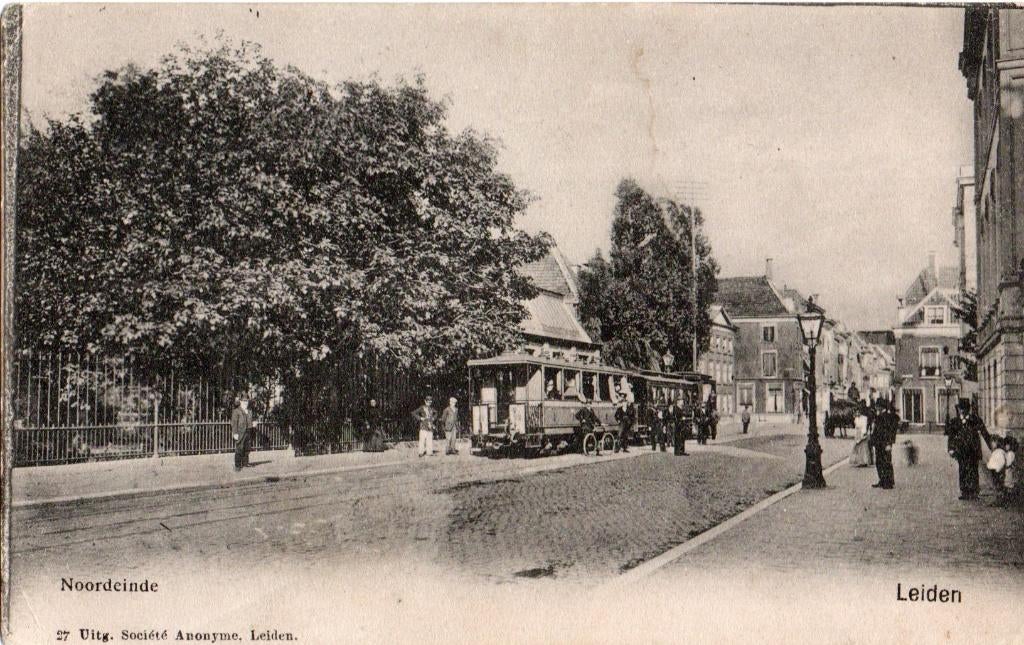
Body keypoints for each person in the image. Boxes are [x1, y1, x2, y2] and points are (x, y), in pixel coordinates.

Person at [944, 399, 992, 500]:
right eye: (961, 408)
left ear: (968, 409)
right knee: (963, 470)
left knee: (974, 470)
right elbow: (951, 437)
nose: (962, 411)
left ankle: (974, 492)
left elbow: (985, 433)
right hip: (961, 451)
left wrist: (992, 446)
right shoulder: (955, 422)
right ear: (959, 409)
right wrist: (951, 449)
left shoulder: (975, 420)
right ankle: (964, 491)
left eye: (964, 408)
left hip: (973, 450)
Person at [870, 401, 898, 489]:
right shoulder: (878, 417)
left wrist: (889, 443)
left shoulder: (888, 417)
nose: (876, 408)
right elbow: (875, 430)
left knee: (886, 462)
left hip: (885, 443)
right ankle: (882, 480)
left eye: (877, 407)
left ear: (881, 407)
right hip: (878, 443)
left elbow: (891, 432)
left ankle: (888, 482)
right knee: (879, 462)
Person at [231, 394, 253, 472]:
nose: (245, 402)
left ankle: (245, 463)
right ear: (240, 401)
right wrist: (235, 433)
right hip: (240, 432)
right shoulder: (236, 411)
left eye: (246, 401)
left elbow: (250, 421)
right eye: (244, 401)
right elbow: (234, 423)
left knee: (247, 448)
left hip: (248, 432)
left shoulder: (249, 411)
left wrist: (253, 424)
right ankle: (237, 465)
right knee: (239, 448)